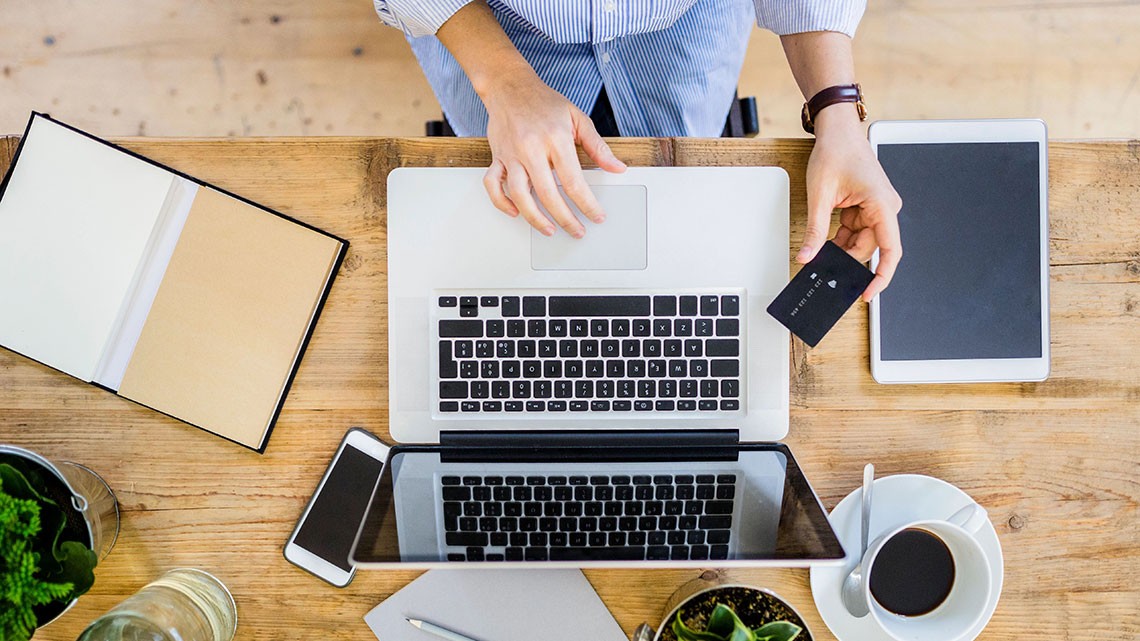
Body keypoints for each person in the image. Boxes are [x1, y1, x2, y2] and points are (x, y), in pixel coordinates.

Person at [373, 0, 902, 300]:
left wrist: (838, 112)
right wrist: (503, 81)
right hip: (485, 22)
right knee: (509, 194)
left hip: (688, 21)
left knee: (687, 181)